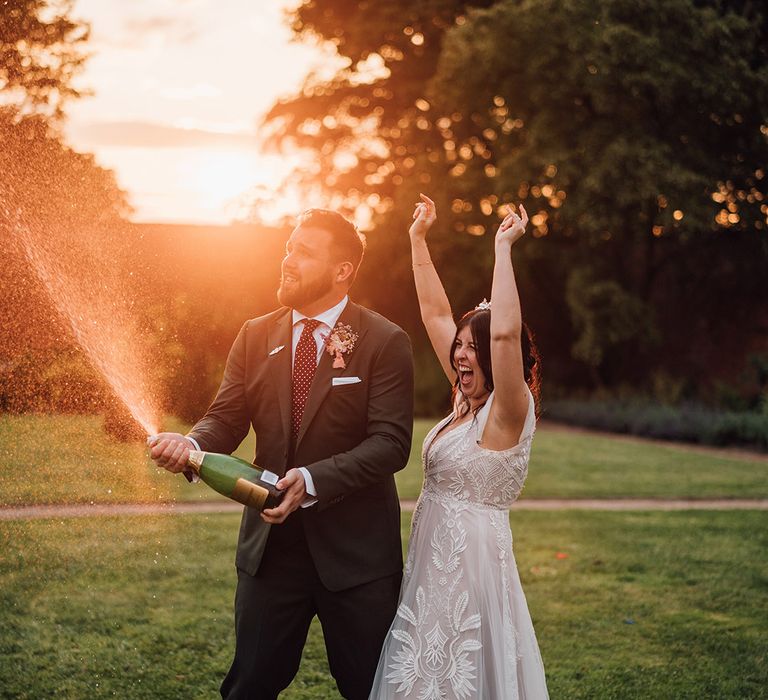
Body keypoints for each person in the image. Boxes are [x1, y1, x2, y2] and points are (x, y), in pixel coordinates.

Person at [149, 209, 414, 700]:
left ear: (342, 271)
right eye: (288, 248)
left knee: (372, 689)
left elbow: (391, 443)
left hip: (357, 559)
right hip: (270, 554)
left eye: (304, 252)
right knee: (248, 686)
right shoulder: (255, 335)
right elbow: (225, 418)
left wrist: (310, 480)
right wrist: (193, 444)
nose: (287, 260)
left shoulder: (384, 340)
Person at [369, 195, 549, 699]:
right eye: (461, 346)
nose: (461, 355)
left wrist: (503, 249)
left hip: (473, 565)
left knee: (463, 673)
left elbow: (507, 335)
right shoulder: (465, 399)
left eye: (474, 347)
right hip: (432, 562)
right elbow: (434, 312)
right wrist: (417, 239)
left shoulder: (508, 408)